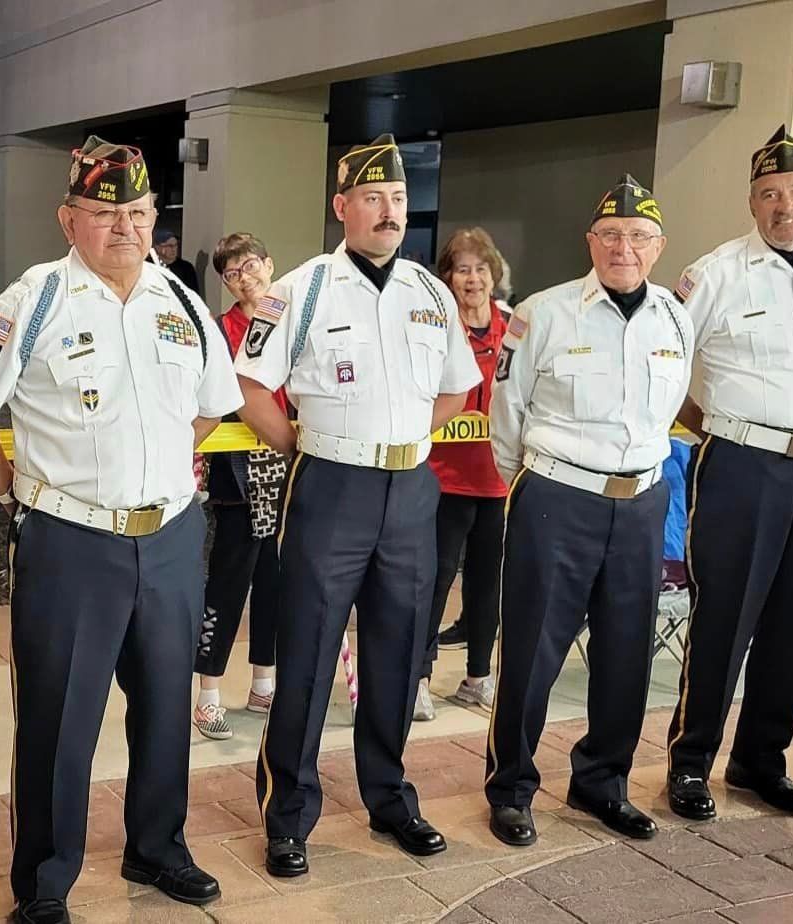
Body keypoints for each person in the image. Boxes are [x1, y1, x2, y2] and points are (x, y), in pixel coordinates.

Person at [0, 136, 243, 923]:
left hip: (171, 538)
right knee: (58, 719)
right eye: (105, 214)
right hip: (70, 543)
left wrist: (164, 472)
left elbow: (210, 403)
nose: (125, 228)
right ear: (68, 218)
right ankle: (43, 883)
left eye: (138, 213)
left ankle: (157, 848)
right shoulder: (31, 299)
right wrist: (18, 499)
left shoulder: (180, 301)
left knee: (165, 707)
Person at [236, 133, 480, 877]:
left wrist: (400, 444)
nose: (388, 212)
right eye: (372, 198)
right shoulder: (300, 289)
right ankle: (289, 815)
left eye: (398, 199)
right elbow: (250, 389)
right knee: (306, 650)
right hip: (330, 488)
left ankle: (388, 797)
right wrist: (301, 449)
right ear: (342, 206)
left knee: (399, 649)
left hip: (409, 490)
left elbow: (455, 388)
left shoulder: (430, 292)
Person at [665, 127, 793, 822]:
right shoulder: (715, 273)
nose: (785, 205)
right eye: (769, 194)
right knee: (725, 619)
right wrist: (713, 426)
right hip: (741, 466)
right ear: (751, 203)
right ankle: (689, 765)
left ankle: (760, 761)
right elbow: (660, 362)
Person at [485, 175, 692, 847]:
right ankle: (511, 787)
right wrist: (539, 483)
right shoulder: (542, 313)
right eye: (609, 235)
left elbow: (669, 408)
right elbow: (505, 414)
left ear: (657, 246)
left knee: (626, 653)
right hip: (556, 497)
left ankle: (602, 782)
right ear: (589, 243)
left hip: (639, 502)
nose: (622, 248)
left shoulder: (674, 316)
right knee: (532, 650)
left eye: (636, 237)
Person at [192, 232, 286, 740]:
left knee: (277, 579)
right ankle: (207, 693)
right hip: (238, 473)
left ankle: (264, 683)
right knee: (230, 581)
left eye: (251, 266)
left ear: (269, 265)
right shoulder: (219, 328)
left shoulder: (289, 318)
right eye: (232, 273)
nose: (245, 278)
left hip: (288, 468)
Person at [416, 228, 511, 721]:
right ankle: (419, 679)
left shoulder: (513, 327)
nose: (472, 279)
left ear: (494, 275)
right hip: (443, 478)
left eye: (480, 269)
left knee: (486, 583)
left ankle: (478, 675)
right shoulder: (435, 326)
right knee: (434, 580)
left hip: (497, 480)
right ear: (447, 278)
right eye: (461, 269)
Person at [153, 228, 201, 293]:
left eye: (176, 245)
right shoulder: (150, 266)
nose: (174, 249)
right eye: (170, 246)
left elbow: (193, 293)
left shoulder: (186, 268)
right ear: (158, 248)